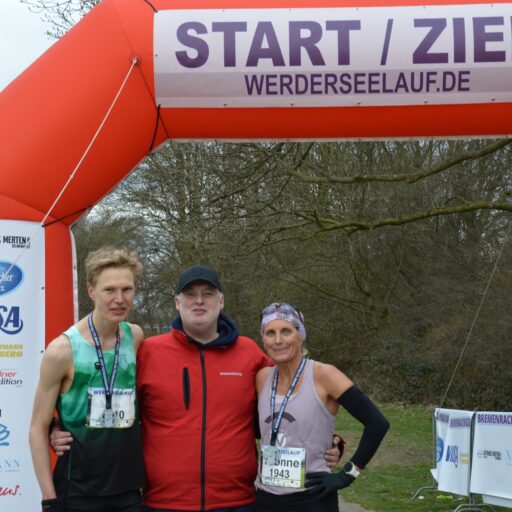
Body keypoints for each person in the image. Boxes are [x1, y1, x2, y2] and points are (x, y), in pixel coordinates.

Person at [52, 265, 340, 512]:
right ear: (177, 302)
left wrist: (331, 440)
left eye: (208, 293)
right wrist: (56, 426)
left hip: (237, 502)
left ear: (221, 300)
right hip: (163, 503)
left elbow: (292, 404)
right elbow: (113, 405)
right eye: (190, 294)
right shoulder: (148, 351)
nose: (199, 300)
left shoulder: (250, 354)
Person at [29, 247, 146, 512]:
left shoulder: (135, 337)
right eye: (109, 290)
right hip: (77, 493)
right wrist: (49, 500)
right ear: (91, 291)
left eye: (127, 289)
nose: (119, 299)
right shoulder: (62, 351)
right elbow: (37, 427)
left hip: (128, 491)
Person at [255, 303, 390, 512]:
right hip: (265, 498)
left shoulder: (324, 374)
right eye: (270, 333)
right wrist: (332, 440)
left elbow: (377, 423)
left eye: (286, 331)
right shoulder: (262, 378)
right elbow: (264, 429)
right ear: (263, 340)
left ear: (300, 335)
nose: (278, 340)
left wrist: (347, 475)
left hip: (312, 498)